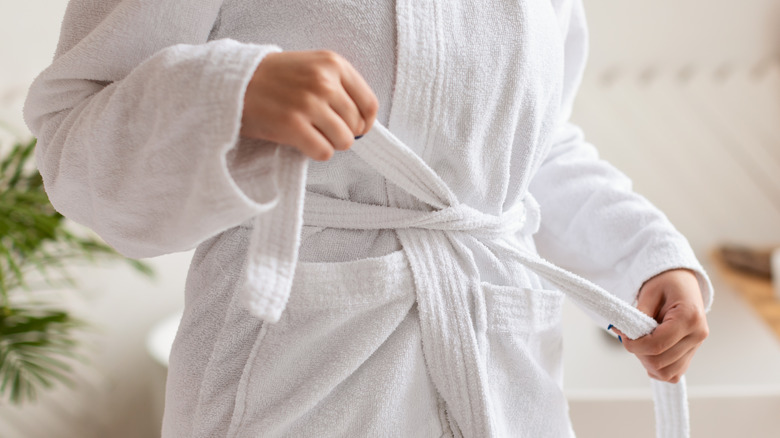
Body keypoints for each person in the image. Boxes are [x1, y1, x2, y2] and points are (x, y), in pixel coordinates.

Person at [23, 0, 712, 436]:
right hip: (295, 382)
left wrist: (642, 258)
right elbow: (72, 147)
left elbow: (526, 146)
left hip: (507, 383)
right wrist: (231, 92)